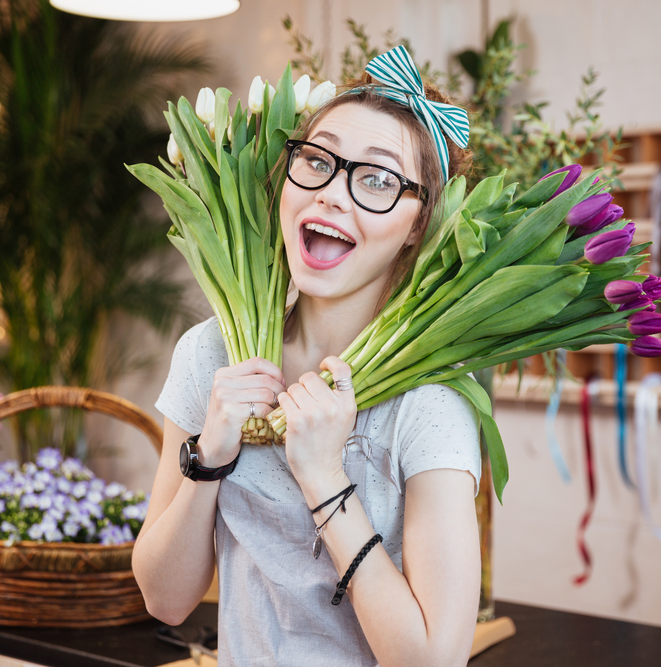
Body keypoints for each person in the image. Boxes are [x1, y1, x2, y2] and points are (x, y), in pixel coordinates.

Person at [133, 47, 483, 667]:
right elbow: (164, 598)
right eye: (317, 161)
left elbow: (433, 661)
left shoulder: (428, 407)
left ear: (418, 222)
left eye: (377, 179)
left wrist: (324, 478)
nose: (331, 195)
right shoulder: (211, 355)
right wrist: (209, 458)